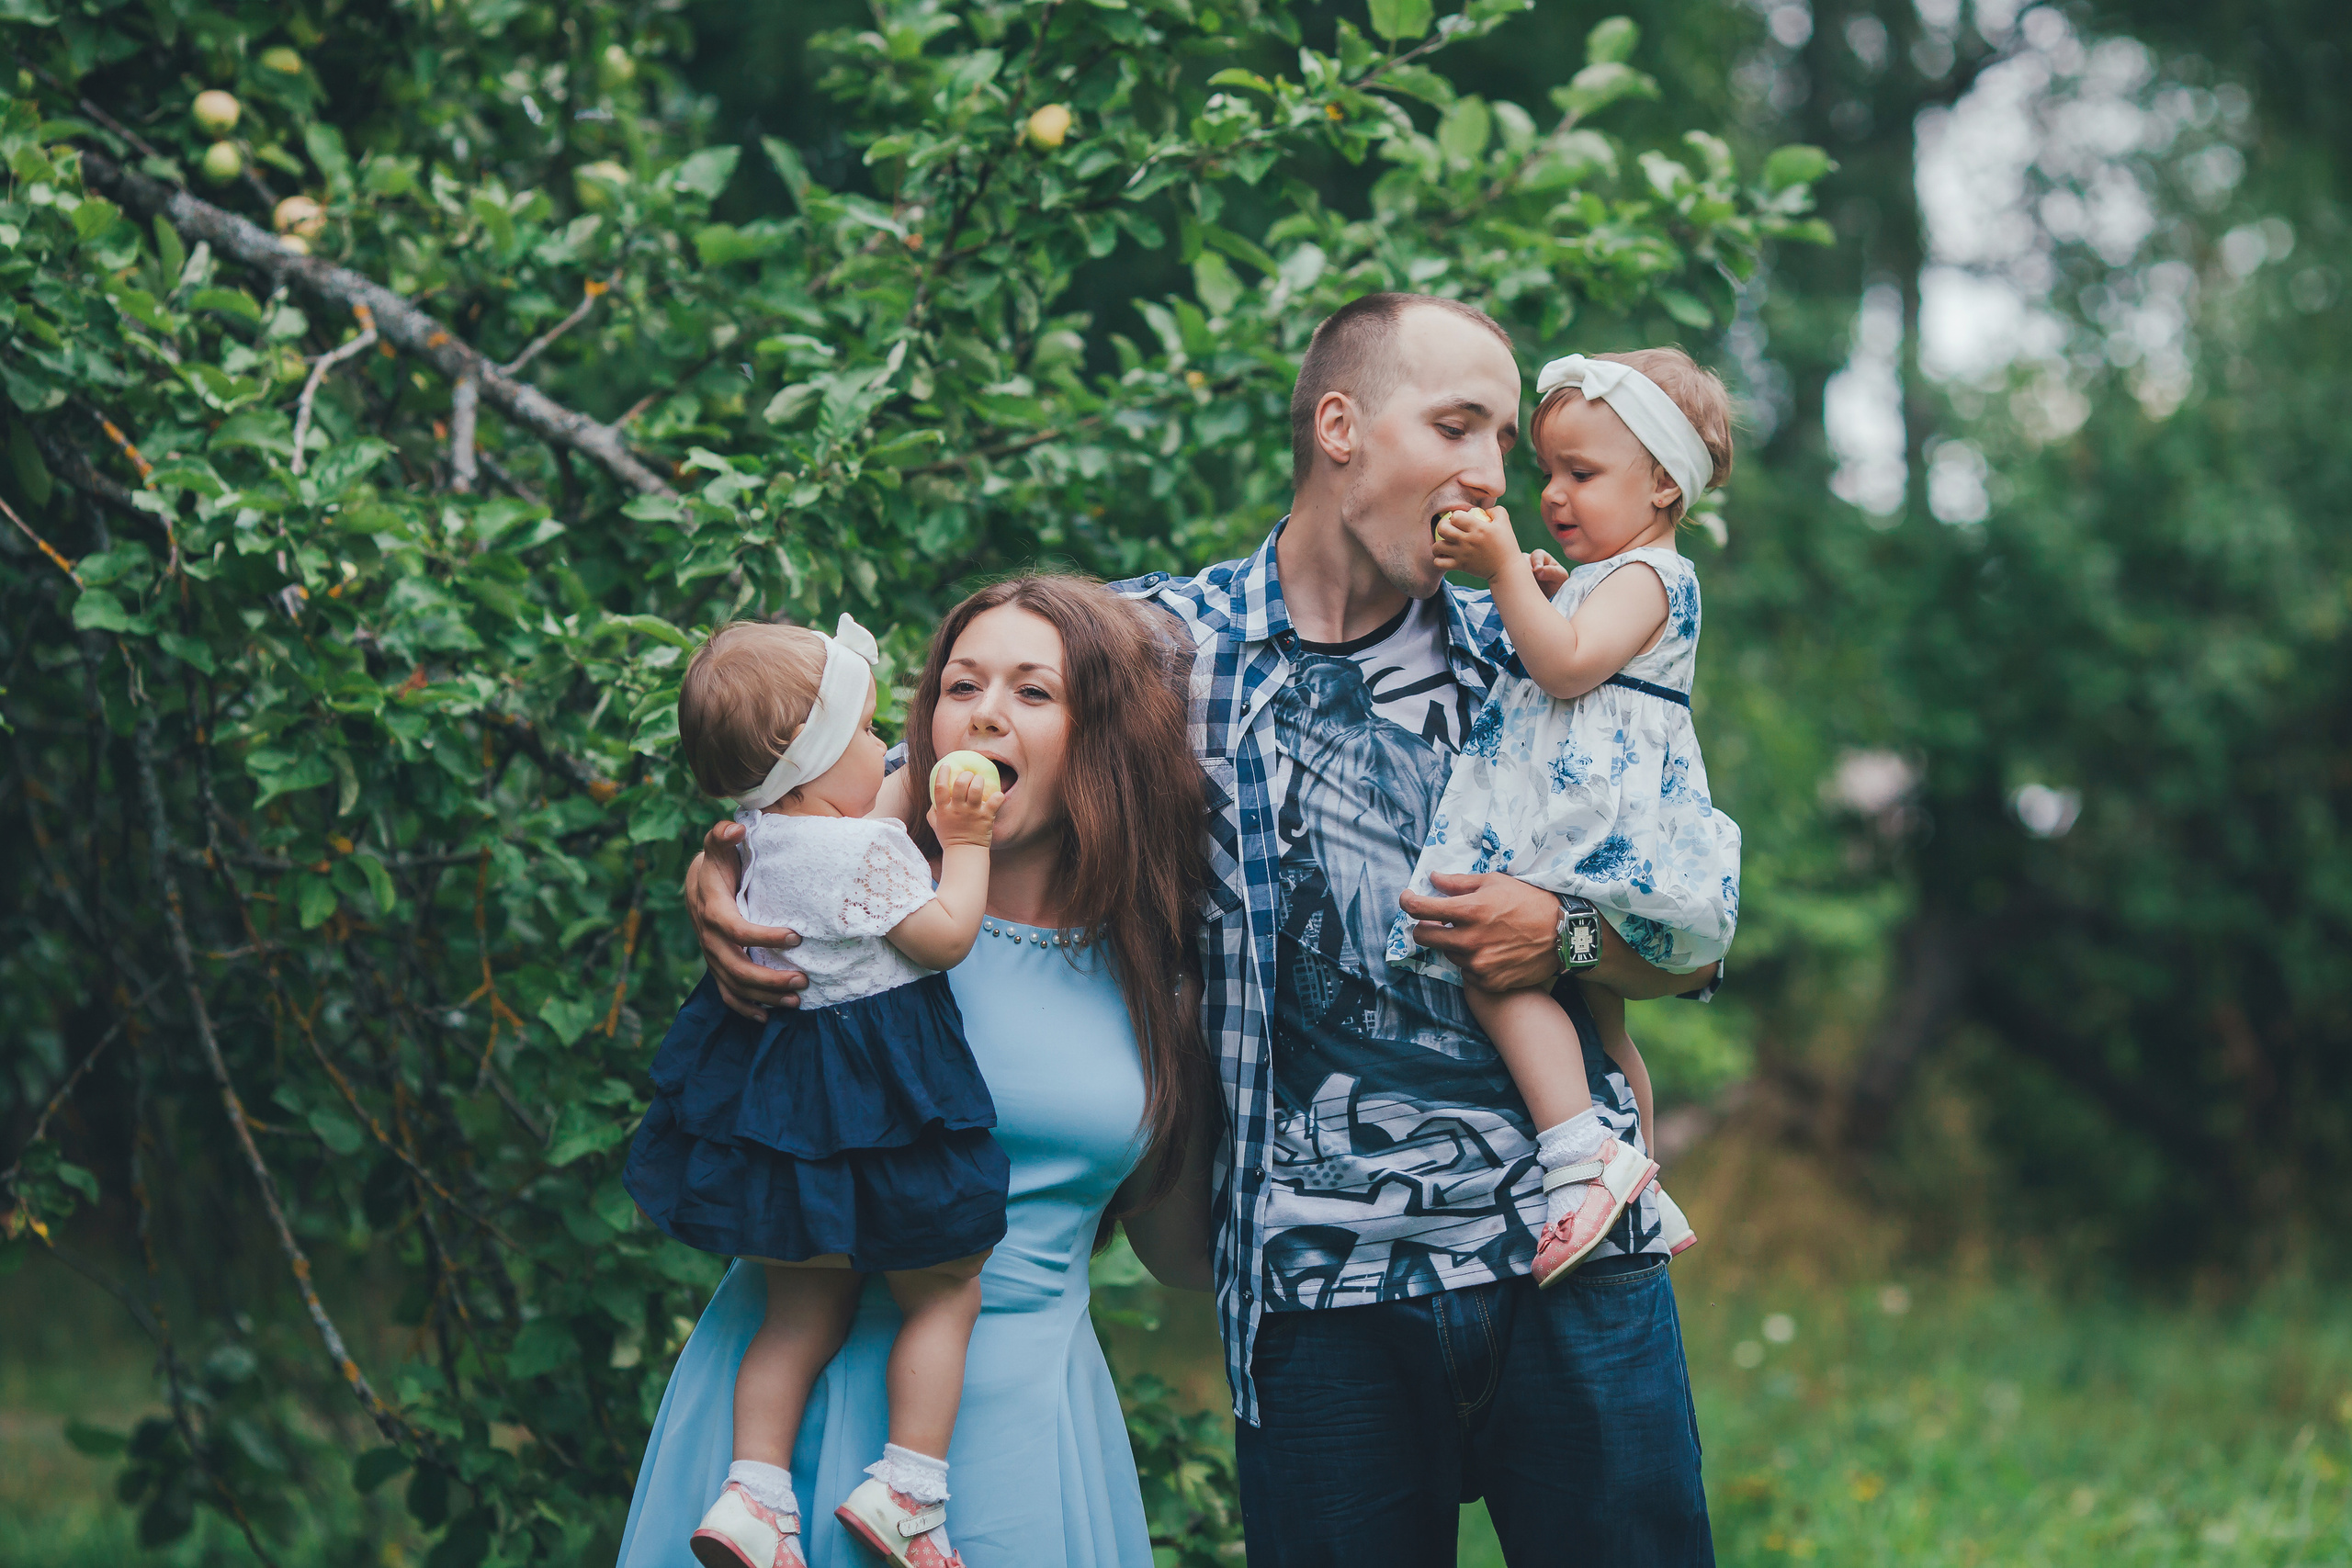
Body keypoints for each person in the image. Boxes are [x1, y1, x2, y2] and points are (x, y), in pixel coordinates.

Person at [685, 293, 1721, 1566]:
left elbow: (1692, 935)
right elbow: (925, 762)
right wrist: (740, 857)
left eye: (1506, 440)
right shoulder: (1155, 651)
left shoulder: (1547, 640)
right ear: (1340, 425)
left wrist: (1561, 935)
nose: (1491, 476)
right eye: (1458, 425)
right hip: (1314, 1292)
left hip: (1571, 1260)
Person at [625, 576, 1215, 1568]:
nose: (985, 713)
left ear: (1101, 739)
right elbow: (776, 813)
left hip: (1013, 1425)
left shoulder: (1161, 970)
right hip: (776, 1426)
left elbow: (1180, 1254)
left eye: (1035, 693)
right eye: (960, 685)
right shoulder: (839, 910)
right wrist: (718, 860)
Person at [624, 611, 1010, 1568]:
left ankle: (754, 1496)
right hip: (877, 1106)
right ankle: (905, 1488)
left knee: (794, 1312)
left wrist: (920, 767)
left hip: (791, 1120)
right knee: (948, 1291)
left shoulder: (756, 842)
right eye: (869, 734)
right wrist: (965, 839)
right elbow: (944, 934)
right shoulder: (872, 858)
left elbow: (862, 820)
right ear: (812, 760)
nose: (886, 750)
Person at [1385, 347, 1740, 1286]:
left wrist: (1504, 573)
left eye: (1582, 474)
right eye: (1550, 472)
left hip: (1586, 819)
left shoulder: (1654, 578)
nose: (1552, 494)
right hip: (1588, 804)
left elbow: (1567, 668)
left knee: (1494, 971)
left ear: (1663, 485)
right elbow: (1567, 647)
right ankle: (1643, 1174)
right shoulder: (1612, 575)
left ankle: (1580, 1152)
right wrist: (1540, 589)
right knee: (1601, 1020)